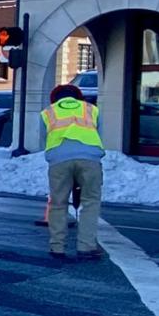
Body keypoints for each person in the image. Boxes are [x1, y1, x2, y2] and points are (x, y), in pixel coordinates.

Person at [42, 84, 104, 260]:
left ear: (55, 98)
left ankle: (57, 247)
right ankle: (86, 247)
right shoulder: (91, 109)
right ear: (79, 97)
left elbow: (43, 138)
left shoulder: (48, 112)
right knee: (90, 202)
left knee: (58, 203)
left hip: (59, 160)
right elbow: (100, 134)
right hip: (90, 158)